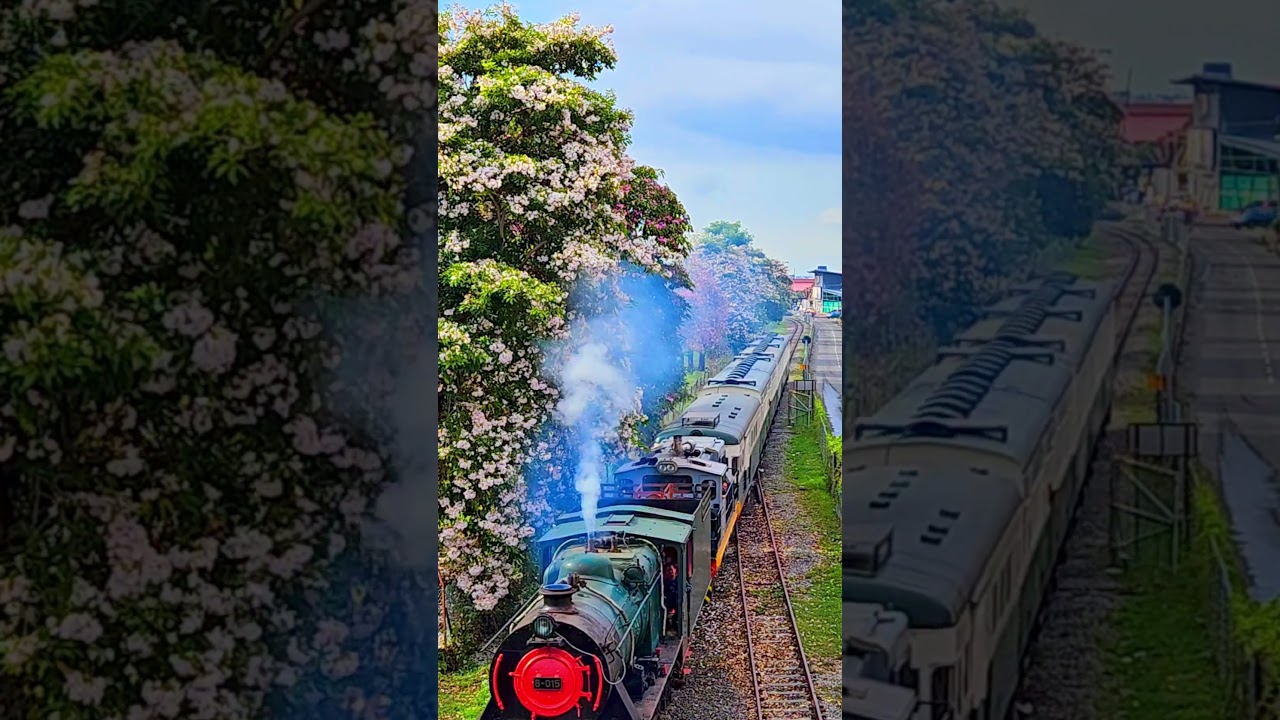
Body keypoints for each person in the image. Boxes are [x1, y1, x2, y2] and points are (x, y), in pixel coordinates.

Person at [663, 554, 679, 634]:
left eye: (671, 570)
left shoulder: (679, 580)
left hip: (677, 601)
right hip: (668, 601)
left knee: (677, 616)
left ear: (675, 570)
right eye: (668, 571)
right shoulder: (665, 582)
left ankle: (676, 628)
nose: (670, 572)